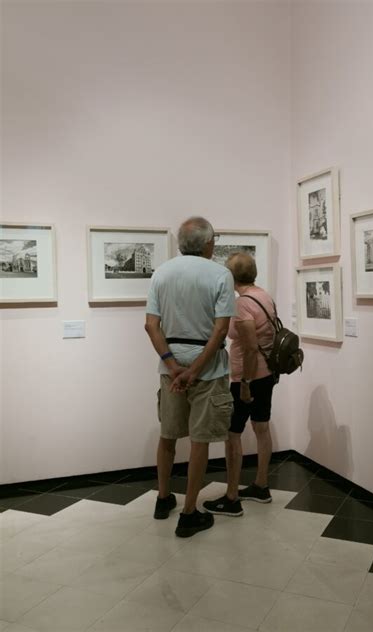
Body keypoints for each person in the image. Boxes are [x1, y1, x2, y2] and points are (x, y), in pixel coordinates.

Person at [145, 217, 235, 537]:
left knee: (168, 434)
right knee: (199, 440)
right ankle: (189, 512)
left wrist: (173, 367)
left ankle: (163, 497)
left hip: (171, 364)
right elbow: (221, 329)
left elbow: (151, 325)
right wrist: (194, 370)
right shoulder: (220, 274)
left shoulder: (162, 272)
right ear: (209, 243)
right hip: (207, 367)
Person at [203, 252, 276, 517]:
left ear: (231, 276)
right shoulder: (264, 295)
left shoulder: (243, 304)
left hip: (247, 378)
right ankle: (261, 485)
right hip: (266, 374)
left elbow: (249, 347)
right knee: (261, 426)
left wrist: (244, 383)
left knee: (233, 435)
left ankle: (232, 497)